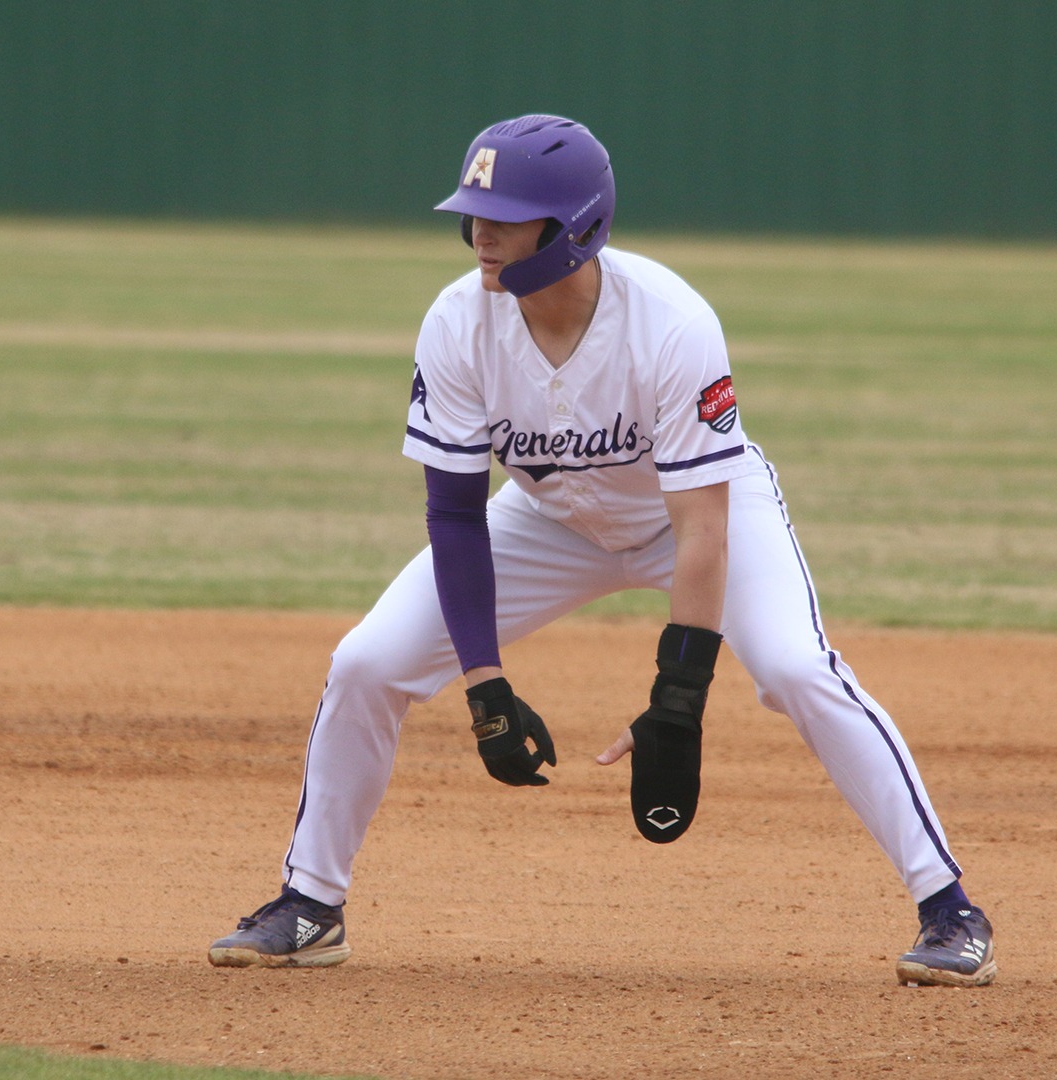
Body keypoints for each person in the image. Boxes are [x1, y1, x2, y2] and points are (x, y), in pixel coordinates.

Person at [207, 115, 995, 987]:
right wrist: (486, 687)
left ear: (574, 227)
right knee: (366, 661)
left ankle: (949, 907)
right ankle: (311, 903)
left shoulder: (671, 323)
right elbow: (456, 516)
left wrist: (678, 699)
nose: (482, 236)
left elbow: (701, 526)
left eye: (507, 217)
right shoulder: (458, 320)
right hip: (544, 521)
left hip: (693, 514)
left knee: (798, 672)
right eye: (475, 214)